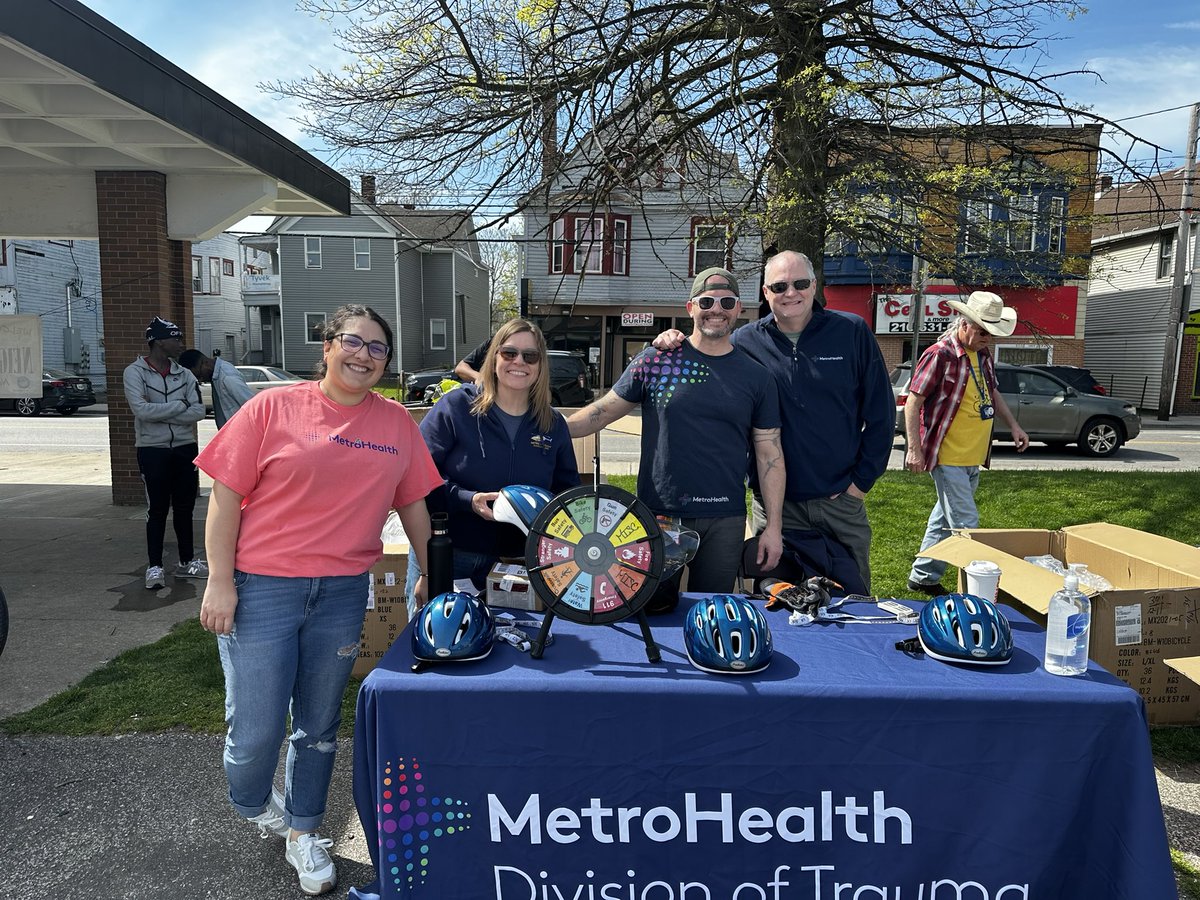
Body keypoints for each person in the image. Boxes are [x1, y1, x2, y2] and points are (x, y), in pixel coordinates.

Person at [195, 304, 442, 897]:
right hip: (262, 589)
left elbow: (415, 508)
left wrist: (431, 573)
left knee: (318, 725)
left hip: (341, 592)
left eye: (378, 348)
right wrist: (219, 581)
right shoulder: (272, 408)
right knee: (254, 730)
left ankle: (305, 830)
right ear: (328, 346)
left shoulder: (397, 425)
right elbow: (225, 502)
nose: (364, 355)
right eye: (353, 342)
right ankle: (253, 801)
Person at [654, 251, 893, 591]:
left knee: (851, 603)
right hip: (775, 507)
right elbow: (704, 351)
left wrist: (860, 485)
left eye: (800, 284)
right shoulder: (744, 342)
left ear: (815, 286)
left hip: (841, 502)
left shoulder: (851, 332)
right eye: (779, 286)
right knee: (779, 602)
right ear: (765, 292)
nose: (790, 293)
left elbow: (881, 416)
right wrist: (673, 341)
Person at [569, 268, 785, 610]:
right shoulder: (657, 361)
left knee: (714, 611)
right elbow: (602, 411)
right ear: (690, 307)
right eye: (707, 301)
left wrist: (773, 527)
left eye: (726, 301)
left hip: (724, 520)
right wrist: (548, 425)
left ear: (738, 308)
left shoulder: (757, 376)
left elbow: (770, 454)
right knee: (651, 612)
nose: (717, 308)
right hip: (659, 515)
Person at [408, 318, 580, 604]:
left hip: (515, 564)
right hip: (448, 553)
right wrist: (467, 499)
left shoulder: (552, 424)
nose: (519, 362)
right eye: (509, 353)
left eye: (530, 356)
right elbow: (417, 476)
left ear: (540, 366)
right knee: (436, 642)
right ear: (494, 357)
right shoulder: (457, 407)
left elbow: (568, 494)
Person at [904, 291, 1030, 594]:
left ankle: (923, 577)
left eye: (992, 333)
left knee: (942, 521)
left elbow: (993, 393)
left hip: (973, 457)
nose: (988, 338)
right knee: (966, 523)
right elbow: (913, 402)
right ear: (964, 324)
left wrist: (1014, 426)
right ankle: (977, 589)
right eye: (983, 331)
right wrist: (913, 448)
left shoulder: (982, 355)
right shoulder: (939, 354)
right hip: (947, 456)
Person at [122, 316, 209, 589]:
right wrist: (178, 406)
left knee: (185, 507)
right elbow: (141, 411)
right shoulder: (134, 373)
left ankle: (186, 562)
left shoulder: (184, 374)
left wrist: (164, 412)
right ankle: (155, 567)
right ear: (158, 342)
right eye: (175, 338)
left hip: (184, 448)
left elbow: (198, 411)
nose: (181, 344)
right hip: (152, 450)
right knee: (157, 510)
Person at [178, 348, 254, 428]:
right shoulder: (217, 375)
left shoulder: (227, 377)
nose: (200, 379)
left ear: (205, 363)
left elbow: (252, 405)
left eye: (199, 375)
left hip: (241, 433)